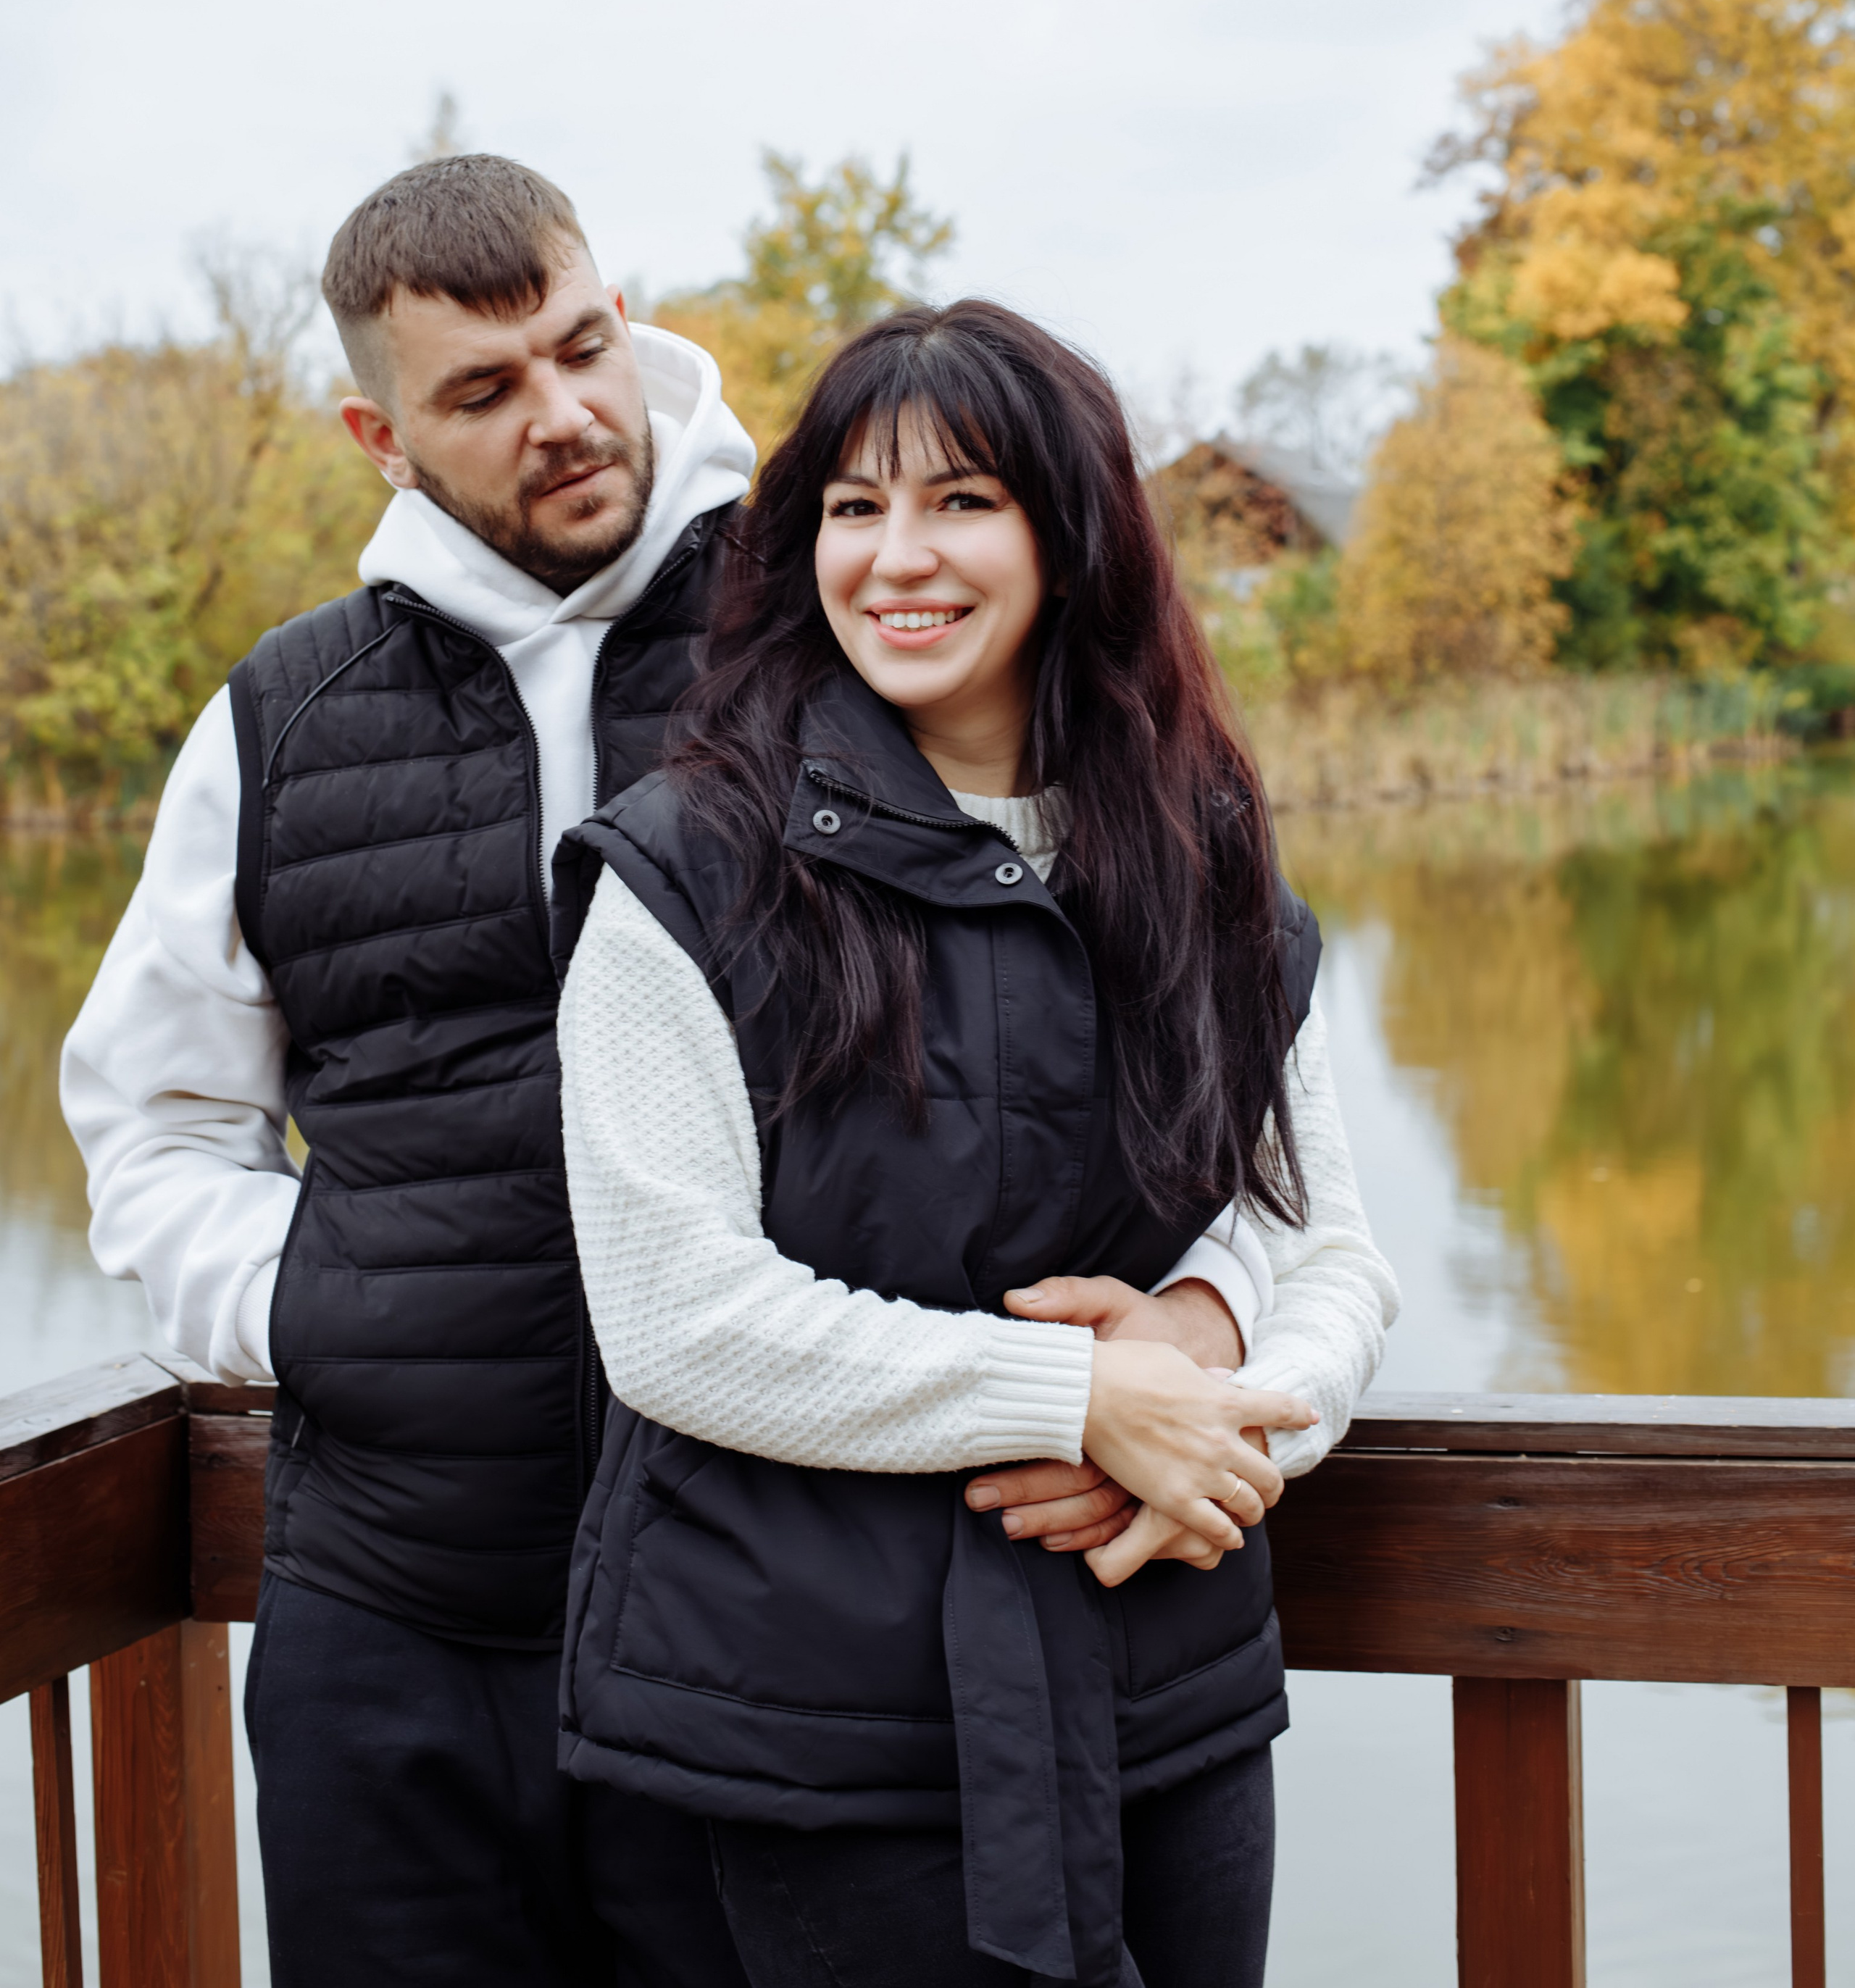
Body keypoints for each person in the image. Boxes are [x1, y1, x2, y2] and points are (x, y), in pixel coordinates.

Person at [59, 161, 1290, 1986]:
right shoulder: (282, 723)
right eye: (480, 392)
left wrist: (1208, 1310)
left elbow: (1160, 1035)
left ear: (623, 316)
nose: (560, 417)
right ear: (375, 432)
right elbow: (150, 1123)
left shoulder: (833, 633)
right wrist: (323, 1306)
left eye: (580, 347)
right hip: (405, 1611)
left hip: (773, 1632)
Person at [552, 300, 1400, 1987]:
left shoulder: (1197, 856)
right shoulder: (685, 873)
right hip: (820, 1723)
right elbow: (673, 1318)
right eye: (854, 509)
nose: (897, 557)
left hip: (1163, 1669)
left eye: (961, 500)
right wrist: (1082, 1397)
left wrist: (1217, 1403)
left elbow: (1325, 1246)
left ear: (1070, 541)